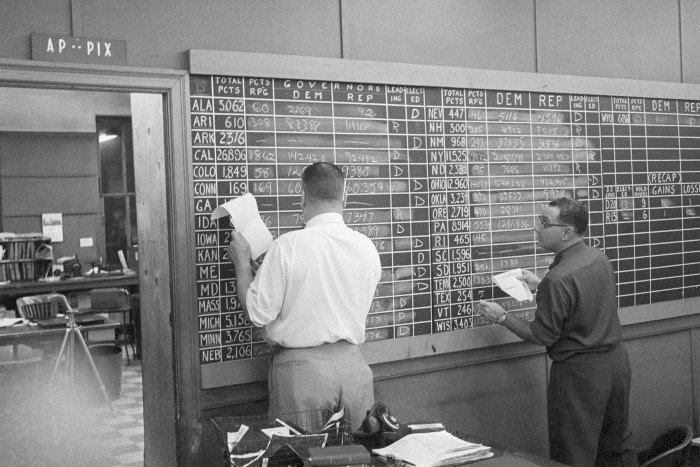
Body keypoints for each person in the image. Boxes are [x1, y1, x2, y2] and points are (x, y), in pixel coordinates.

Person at [479, 198, 637, 467]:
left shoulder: (558, 278)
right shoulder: (597, 257)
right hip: (616, 366)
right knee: (615, 449)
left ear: (566, 232)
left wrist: (502, 316)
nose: (536, 228)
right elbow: (581, 297)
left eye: (544, 223)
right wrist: (541, 284)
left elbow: (543, 335)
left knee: (573, 454)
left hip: (580, 376)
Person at [227, 162, 381, 431]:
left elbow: (257, 313)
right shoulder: (367, 248)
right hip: (355, 368)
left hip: (302, 373)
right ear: (344, 196)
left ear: (303, 196)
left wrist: (242, 264)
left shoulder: (288, 246)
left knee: (299, 456)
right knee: (356, 456)